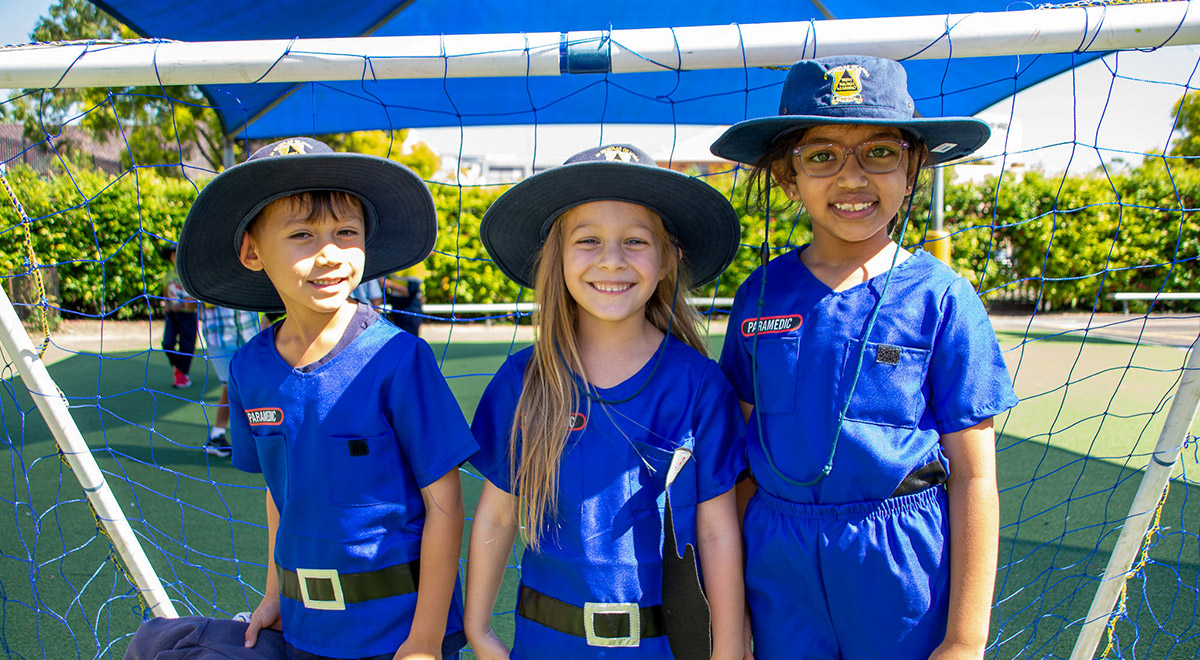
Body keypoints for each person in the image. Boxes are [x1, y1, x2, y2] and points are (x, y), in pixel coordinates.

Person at [708, 55, 1020, 660]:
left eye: (879, 152)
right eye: (821, 155)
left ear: (912, 169)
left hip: (901, 567)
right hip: (779, 563)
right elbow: (743, 459)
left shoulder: (943, 298)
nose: (852, 178)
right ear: (787, 178)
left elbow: (977, 476)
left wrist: (963, 639)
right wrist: (736, 614)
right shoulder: (761, 293)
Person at [126, 137, 478, 660]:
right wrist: (273, 593)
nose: (329, 252)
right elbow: (279, 492)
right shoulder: (250, 367)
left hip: (399, 628)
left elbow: (445, 506)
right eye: (302, 235)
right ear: (252, 251)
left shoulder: (400, 359)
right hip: (305, 625)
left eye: (345, 232)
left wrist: (425, 640)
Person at [466, 144, 747, 660]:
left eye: (635, 241)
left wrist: (727, 650)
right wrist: (480, 631)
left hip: (662, 647)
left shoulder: (700, 385)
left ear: (668, 260)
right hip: (545, 644)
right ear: (558, 257)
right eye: (588, 240)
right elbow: (497, 516)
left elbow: (716, 531)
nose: (611, 260)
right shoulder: (523, 381)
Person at [198, 303, 261, 458]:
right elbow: (190, 306)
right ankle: (217, 436)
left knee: (254, 386)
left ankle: (255, 437)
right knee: (230, 386)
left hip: (249, 334)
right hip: (220, 338)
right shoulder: (205, 280)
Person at [160, 244, 198, 389]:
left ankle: (182, 374)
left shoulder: (190, 275)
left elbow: (194, 299)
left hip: (187, 316)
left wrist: (182, 306)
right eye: (172, 254)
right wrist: (168, 305)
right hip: (172, 316)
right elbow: (165, 293)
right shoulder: (168, 275)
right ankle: (179, 367)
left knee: (186, 345)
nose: (175, 257)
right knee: (167, 343)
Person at [384, 264, 426, 336]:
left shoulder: (415, 265)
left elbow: (412, 291)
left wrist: (389, 284)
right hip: (398, 307)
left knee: (409, 340)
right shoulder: (400, 263)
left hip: (409, 308)